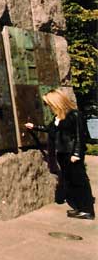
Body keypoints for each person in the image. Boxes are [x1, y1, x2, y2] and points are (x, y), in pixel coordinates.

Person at [25, 89, 94, 220]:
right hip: (62, 154)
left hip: (72, 155)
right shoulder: (58, 117)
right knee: (71, 182)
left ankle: (88, 210)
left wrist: (77, 154)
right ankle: (80, 208)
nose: (48, 106)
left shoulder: (74, 115)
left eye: (48, 103)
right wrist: (34, 127)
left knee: (80, 182)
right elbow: (50, 129)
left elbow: (80, 136)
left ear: (56, 102)